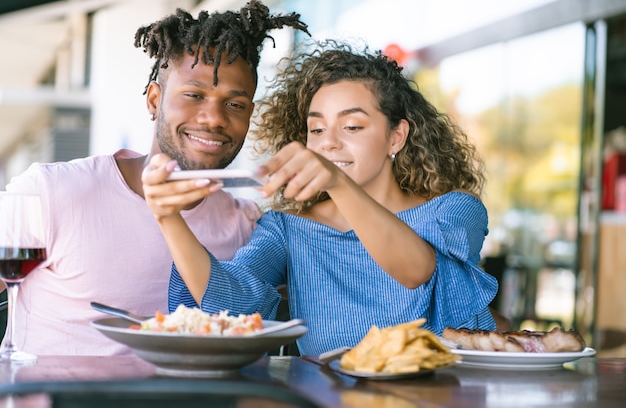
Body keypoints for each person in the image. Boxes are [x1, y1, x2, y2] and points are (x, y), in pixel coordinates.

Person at [142, 41, 498, 355]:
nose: (328, 142)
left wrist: (339, 183)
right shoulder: (287, 228)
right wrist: (168, 218)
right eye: (316, 129)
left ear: (396, 137)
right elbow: (233, 305)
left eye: (352, 126)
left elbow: (415, 270)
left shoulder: (453, 209)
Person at [1, 0, 309, 356]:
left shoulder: (245, 226)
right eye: (194, 95)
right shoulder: (51, 192)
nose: (213, 118)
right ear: (154, 100)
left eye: (234, 104)